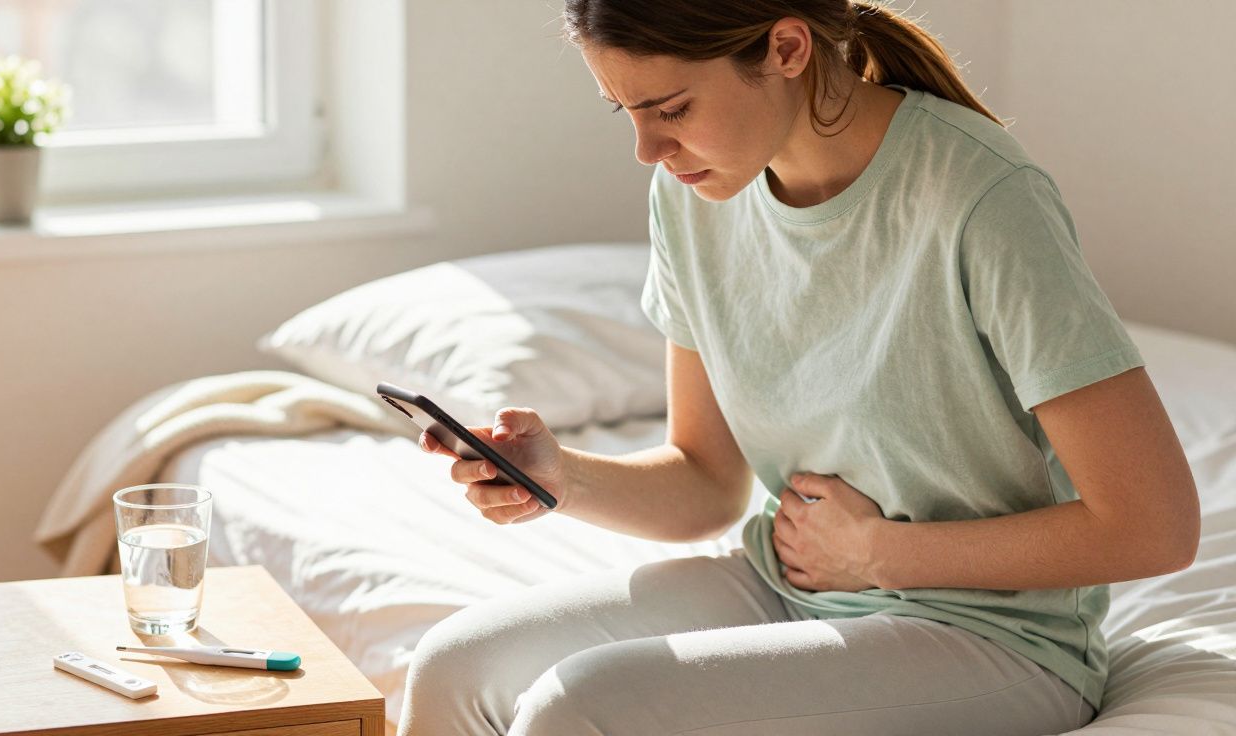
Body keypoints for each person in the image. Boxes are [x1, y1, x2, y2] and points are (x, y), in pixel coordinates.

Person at [397, 1, 1201, 734]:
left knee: (580, 707)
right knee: (455, 666)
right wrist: (560, 476)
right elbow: (706, 483)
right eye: (626, 111)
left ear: (786, 48)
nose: (647, 149)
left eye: (671, 110)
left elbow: (1153, 526)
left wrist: (880, 554)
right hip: (792, 584)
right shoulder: (691, 197)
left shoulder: (983, 197)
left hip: (993, 635)